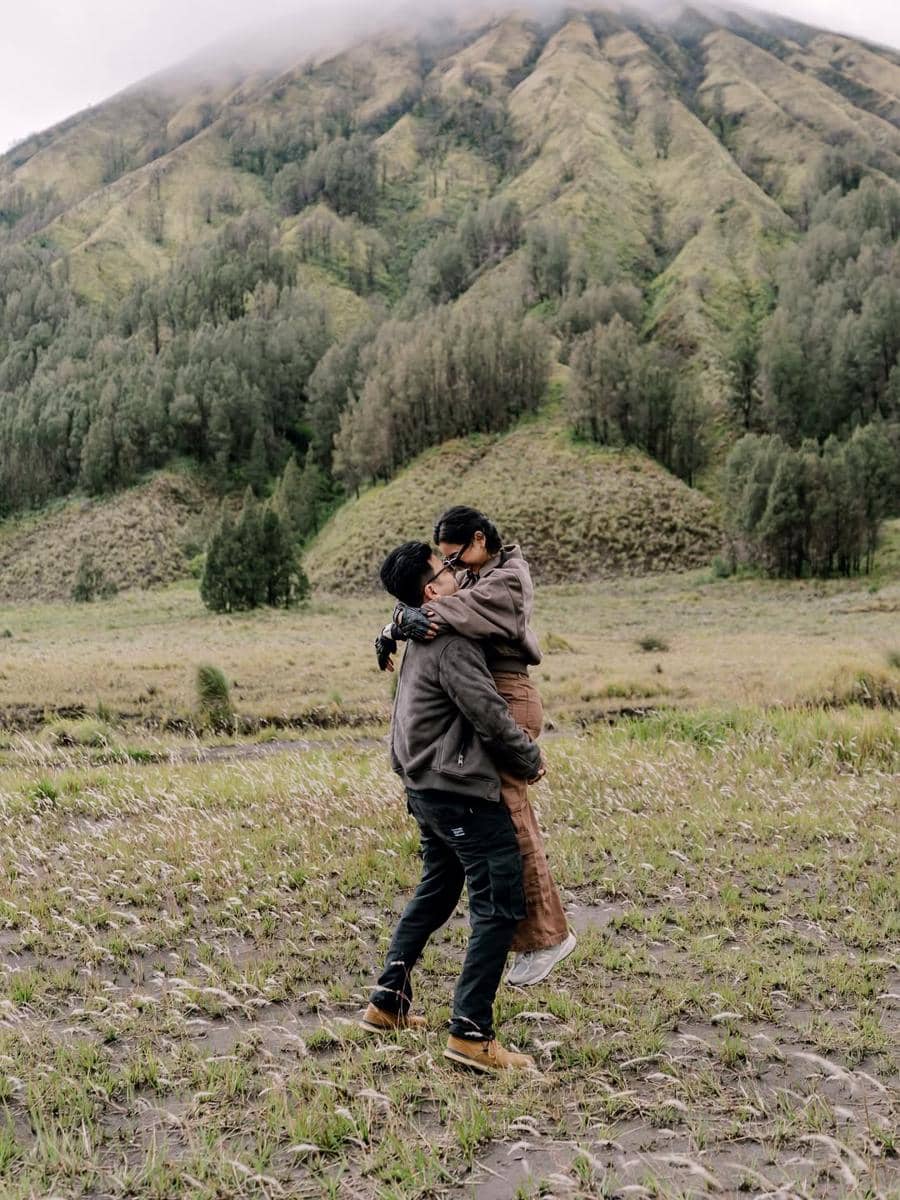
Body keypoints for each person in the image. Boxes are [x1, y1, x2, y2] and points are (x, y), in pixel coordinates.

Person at [361, 540, 543, 1073]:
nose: (456, 571)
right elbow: (486, 711)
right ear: (431, 587)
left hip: (424, 788)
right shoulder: (450, 639)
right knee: (500, 899)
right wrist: (528, 757)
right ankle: (470, 1032)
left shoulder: (420, 628)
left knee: (436, 891)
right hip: (458, 792)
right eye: (445, 567)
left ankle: (387, 1002)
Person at [375, 507, 575, 986]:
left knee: (509, 809)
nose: (454, 568)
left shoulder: (507, 579)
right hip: (487, 692)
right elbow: (435, 606)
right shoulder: (473, 574)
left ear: (480, 540)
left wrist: (403, 619)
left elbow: (452, 611)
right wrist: (402, 618)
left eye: (455, 556)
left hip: (508, 695)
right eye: (445, 562)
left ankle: (547, 937)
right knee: (490, 823)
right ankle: (536, 939)